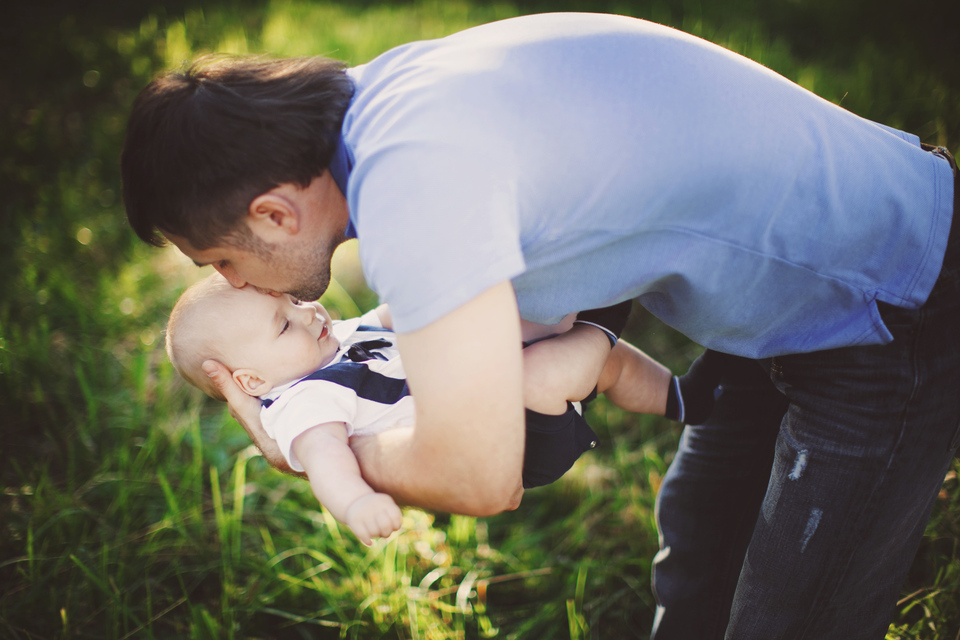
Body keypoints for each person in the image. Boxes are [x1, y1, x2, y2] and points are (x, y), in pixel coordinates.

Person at [120, 12, 958, 640]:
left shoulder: (413, 188)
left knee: (790, 620)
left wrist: (310, 448)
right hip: (780, 312)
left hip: (888, 306)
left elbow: (483, 478)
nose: (230, 283)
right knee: (700, 553)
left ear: (271, 214)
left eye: (219, 263)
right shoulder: (385, 98)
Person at [164, 272, 718, 543]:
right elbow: (326, 458)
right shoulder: (301, 403)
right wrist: (356, 505)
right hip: (508, 443)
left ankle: (683, 398)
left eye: (294, 299)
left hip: (487, 393)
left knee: (602, 364)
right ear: (251, 379)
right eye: (284, 322)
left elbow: (400, 315)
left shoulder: (338, 337)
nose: (308, 312)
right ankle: (602, 311)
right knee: (546, 372)